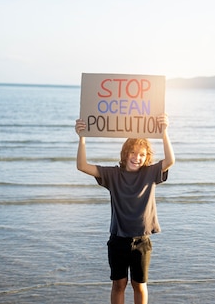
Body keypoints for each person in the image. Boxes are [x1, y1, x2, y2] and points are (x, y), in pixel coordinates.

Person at [75, 114, 175, 304]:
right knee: (119, 285)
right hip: (118, 240)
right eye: (133, 153)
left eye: (142, 154)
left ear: (146, 158)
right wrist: (82, 137)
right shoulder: (112, 174)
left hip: (142, 241)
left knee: (139, 285)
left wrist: (164, 132)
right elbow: (82, 165)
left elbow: (170, 160)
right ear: (125, 153)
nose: (137, 158)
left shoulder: (150, 173)